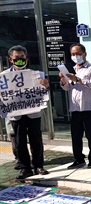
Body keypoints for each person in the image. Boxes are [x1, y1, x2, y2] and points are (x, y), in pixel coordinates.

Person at [1, 45, 49, 180]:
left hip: (33, 112)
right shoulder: (3, 77)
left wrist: (45, 85)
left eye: (22, 58)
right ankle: (25, 168)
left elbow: (43, 93)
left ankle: (38, 165)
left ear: (27, 59)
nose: (20, 60)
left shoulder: (35, 74)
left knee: (36, 140)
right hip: (15, 114)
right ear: (11, 60)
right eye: (17, 58)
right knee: (19, 141)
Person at [59, 43, 91, 169]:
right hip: (75, 108)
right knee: (76, 135)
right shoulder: (72, 69)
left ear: (84, 54)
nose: (75, 56)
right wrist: (64, 79)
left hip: (90, 107)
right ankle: (78, 159)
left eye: (78, 54)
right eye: (73, 54)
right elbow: (67, 88)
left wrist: (77, 79)